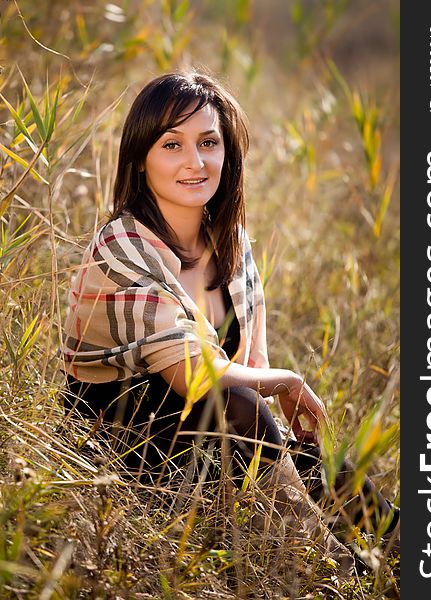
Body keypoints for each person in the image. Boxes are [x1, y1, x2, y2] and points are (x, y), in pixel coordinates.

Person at [61, 70, 398, 566]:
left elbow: (250, 363)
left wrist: (289, 435)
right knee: (239, 404)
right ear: (140, 159)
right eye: (171, 145)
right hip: (117, 449)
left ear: (227, 151)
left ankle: (404, 550)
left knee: (314, 453)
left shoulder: (232, 245)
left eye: (209, 142)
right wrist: (285, 381)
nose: (195, 162)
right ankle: (324, 563)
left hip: (212, 434)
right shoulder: (121, 248)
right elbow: (199, 376)